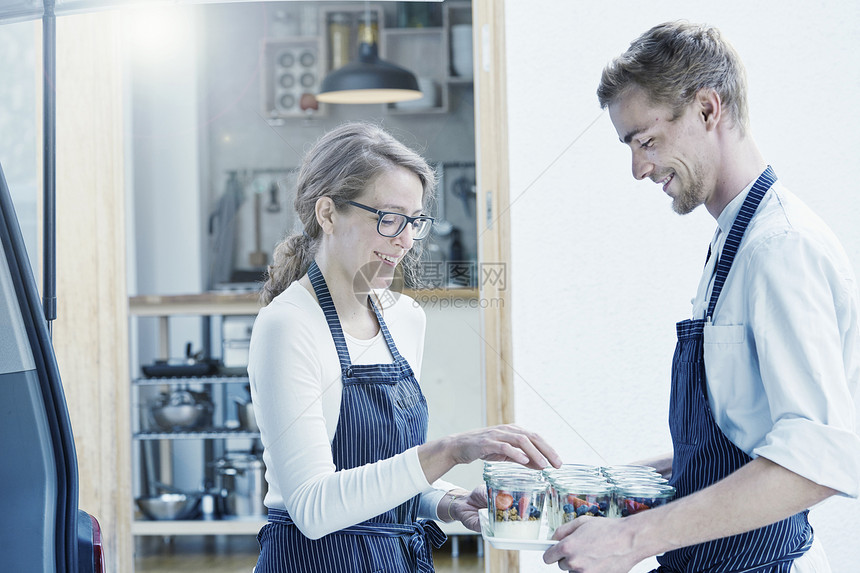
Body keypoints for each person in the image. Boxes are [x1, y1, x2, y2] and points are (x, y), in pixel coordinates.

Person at [544, 21, 860, 572]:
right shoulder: (734, 242)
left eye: (646, 140)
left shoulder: (779, 247)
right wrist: (603, 486)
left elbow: (816, 462)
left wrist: (632, 540)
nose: (639, 168)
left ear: (708, 110)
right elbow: (733, 448)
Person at [248, 122, 561, 573]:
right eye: (388, 217)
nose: (407, 239)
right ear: (328, 214)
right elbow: (314, 509)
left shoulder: (405, 318)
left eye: (414, 221)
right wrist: (449, 450)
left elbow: (380, 482)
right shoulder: (288, 325)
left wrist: (448, 502)